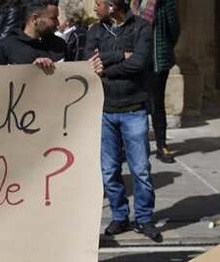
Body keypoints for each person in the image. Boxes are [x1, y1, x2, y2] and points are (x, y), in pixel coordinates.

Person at [87, 0, 161, 243]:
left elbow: (139, 63)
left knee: (140, 169)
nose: (94, 8)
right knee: (109, 171)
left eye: (98, 3)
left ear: (112, 6)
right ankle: (120, 216)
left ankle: (144, 218)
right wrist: (119, 54)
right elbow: (90, 61)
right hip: (105, 109)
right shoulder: (95, 31)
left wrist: (107, 68)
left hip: (134, 109)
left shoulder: (141, 28)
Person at [137, 0, 179, 163]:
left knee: (157, 102)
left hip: (156, 59)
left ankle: (161, 145)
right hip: (136, 57)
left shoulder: (165, 2)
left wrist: (164, 47)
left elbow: (174, 29)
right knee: (136, 101)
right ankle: (136, 145)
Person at [0, 0, 64, 69]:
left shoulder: (60, 45)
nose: (58, 23)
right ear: (35, 19)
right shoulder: (5, 48)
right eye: (53, 18)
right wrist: (30, 70)